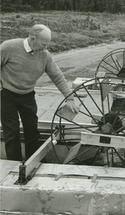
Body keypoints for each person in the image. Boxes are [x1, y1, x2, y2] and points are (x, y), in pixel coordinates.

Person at [0, 24, 79, 161]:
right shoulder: (8, 47)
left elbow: (57, 76)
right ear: (32, 38)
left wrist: (70, 98)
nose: (45, 48)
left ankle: (33, 162)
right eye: (43, 44)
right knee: (11, 133)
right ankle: (14, 165)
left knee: (32, 131)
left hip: (28, 96)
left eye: (47, 45)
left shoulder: (44, 55)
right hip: (7, 95)